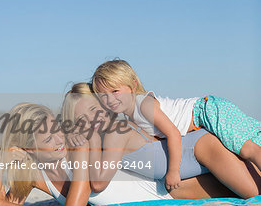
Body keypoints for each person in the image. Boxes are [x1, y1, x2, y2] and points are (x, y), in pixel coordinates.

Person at [0, 92, 261, 206]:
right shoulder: (36, 174)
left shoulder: (76, 151)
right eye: (47, 137)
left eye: (56, 129)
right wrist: (0, 166)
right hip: (170, 190)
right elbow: (0, 203)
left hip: (172, 186)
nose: (58, 139)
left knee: (254, 191)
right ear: (28, 148)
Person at [61, 83, 261, 199]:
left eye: (94, 111)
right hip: (188, 173)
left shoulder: (116, 132)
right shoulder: (115, 132)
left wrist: (93, 140)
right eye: (82, 119)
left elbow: (98, 183)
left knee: (255, 194)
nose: (91, 121)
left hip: (205, 149)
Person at [91, 59, 261, 190]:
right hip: (204, 116)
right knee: (245, 147)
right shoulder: (131, 117)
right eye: (103, 95)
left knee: (247, 149)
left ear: (133, 85)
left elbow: (173, 134)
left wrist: (173, 171)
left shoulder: (144, 105)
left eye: (115, 91)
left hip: (207, 110)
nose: (110, 99)